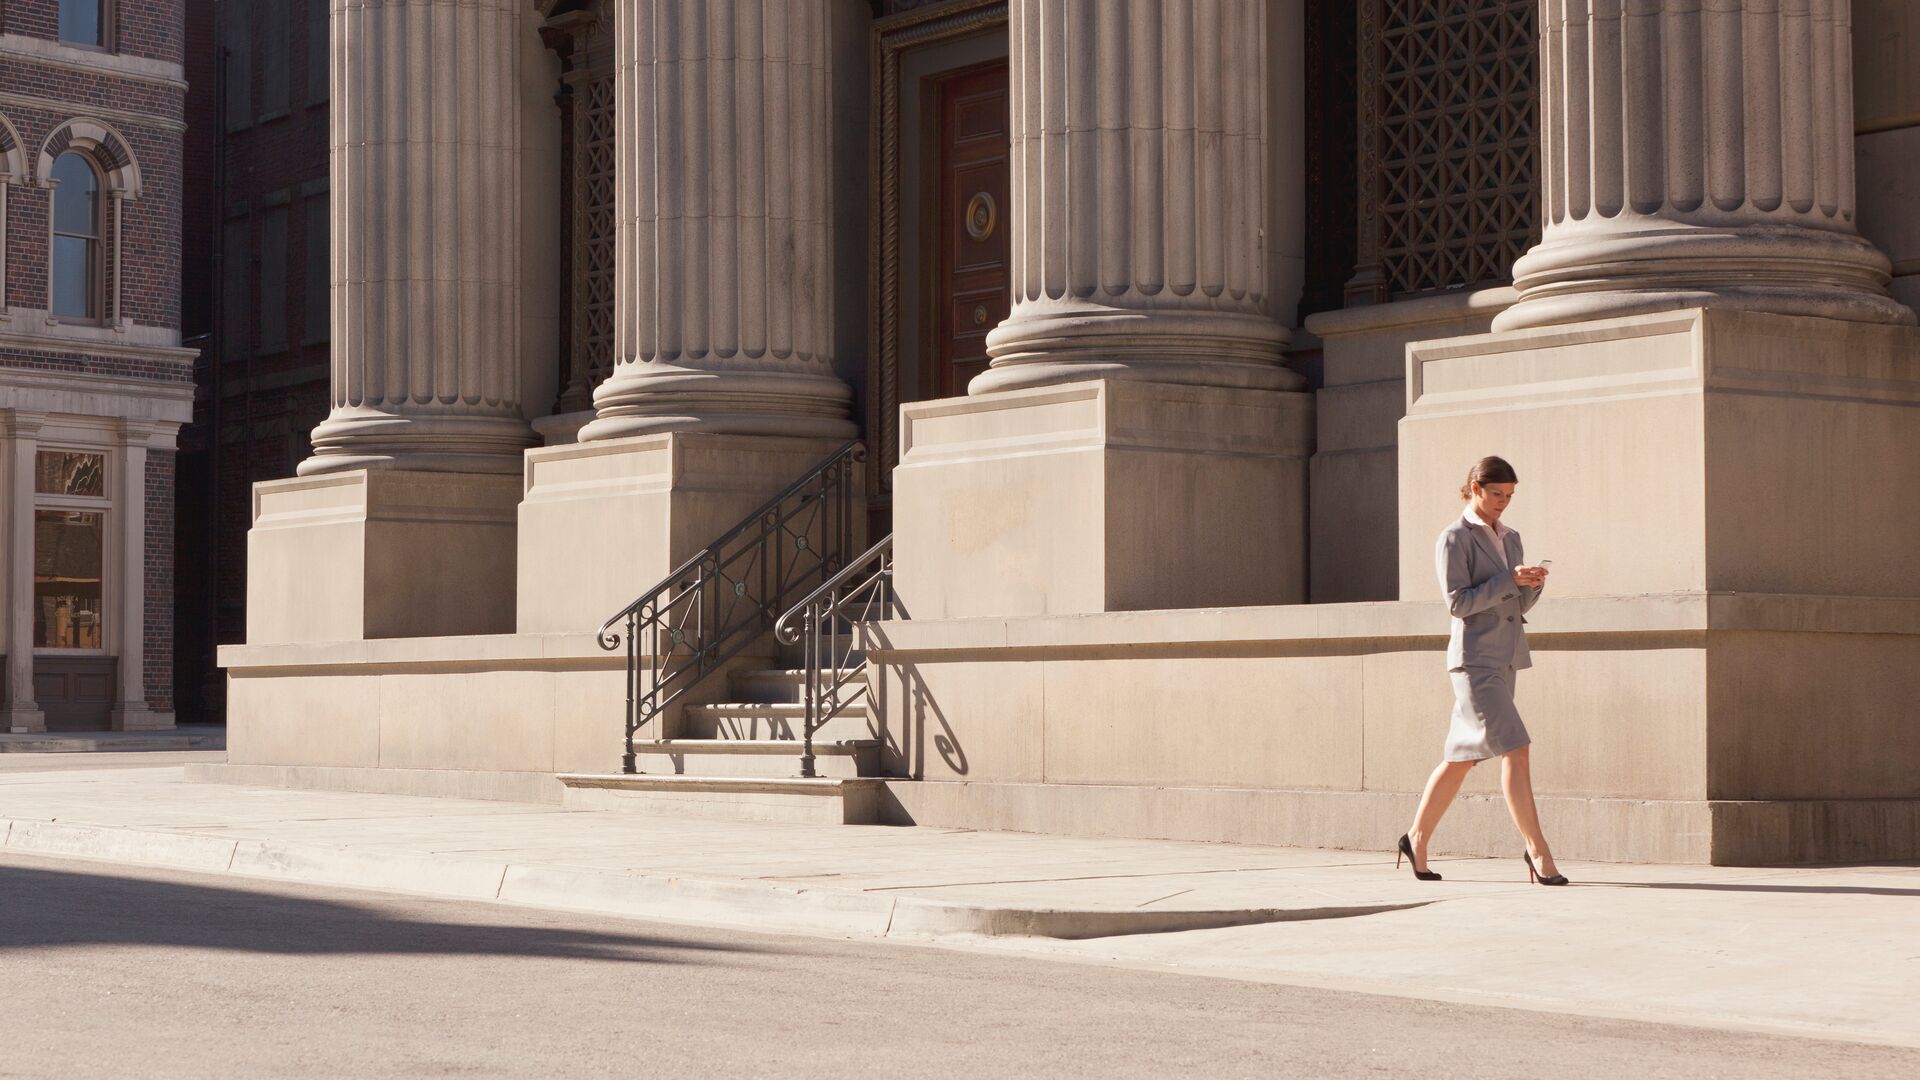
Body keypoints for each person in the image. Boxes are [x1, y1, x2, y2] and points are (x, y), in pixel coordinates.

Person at [1395, 456, 1569, 886]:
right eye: (1496, 494)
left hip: (1506, 658)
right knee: (1517, 747)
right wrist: (1511, 580)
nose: (1502, 504)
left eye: (1509, 496)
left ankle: (1415, 838)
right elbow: (1458, 604)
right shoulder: (1454, 538)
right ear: (1475, 488)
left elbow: (1514, 605)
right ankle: (1538, 851)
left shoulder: (1511, 538)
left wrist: (1533, 585)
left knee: (1462, 757)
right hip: (1473, 662)